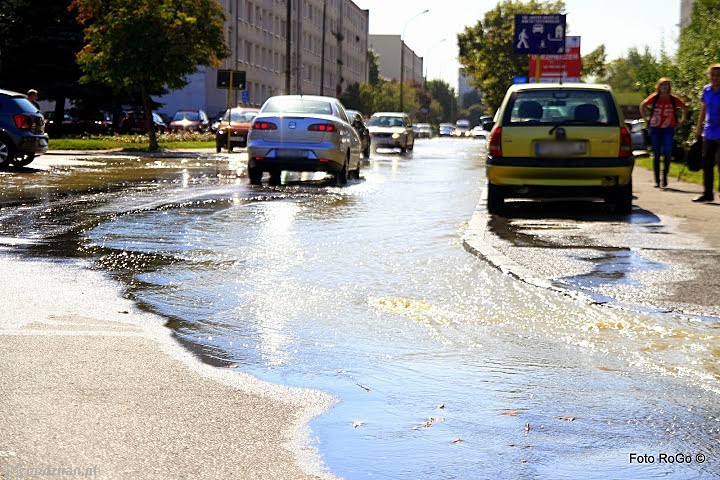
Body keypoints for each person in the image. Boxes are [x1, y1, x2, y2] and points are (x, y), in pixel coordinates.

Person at [640, 78, 688, 188]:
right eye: (662, 85)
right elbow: (642, 105)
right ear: (659, 87)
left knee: (667, 153)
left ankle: (665, 176)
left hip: (668, 129)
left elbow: (684, 107)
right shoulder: (655, 98)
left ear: (669, 88)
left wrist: (682, 120)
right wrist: (645, 118)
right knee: (656, 154)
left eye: (667, 85)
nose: (664, 87)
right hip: (655, 128)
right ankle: (657, 179)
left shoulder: (673, 99)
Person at [693, 63, 720, 202]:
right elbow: (703, 109)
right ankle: (707, 193)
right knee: (707, 164)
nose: (715, 78)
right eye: (713, 75)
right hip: (709, 131)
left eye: (718, 75)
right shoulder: (706, 90)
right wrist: (699, 127)